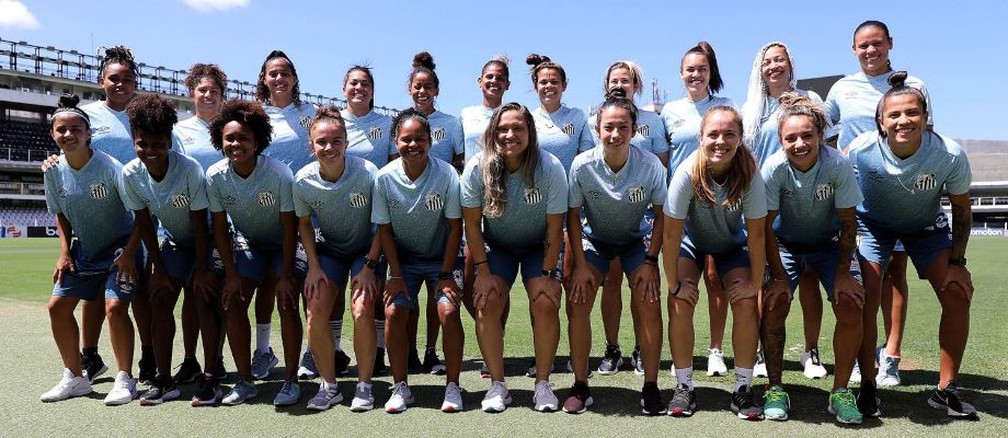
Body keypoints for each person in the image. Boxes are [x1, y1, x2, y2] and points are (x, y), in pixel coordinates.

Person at [847, 72, 975, 418]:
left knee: (957, 293)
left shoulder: (948, 154)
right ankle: (869, 386)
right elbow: (841, 196)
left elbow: (962, 210)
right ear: (881, 120)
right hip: (873, 227)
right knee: (865, 297)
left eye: (912, 112)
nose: (904, 120)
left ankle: (946, 390)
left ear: (925, 117)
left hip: (925, 228)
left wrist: (957, 263)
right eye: (895, 114)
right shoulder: (858, 152)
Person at [825, 20, 934, 386]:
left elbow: (926, 135)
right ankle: (863, 355)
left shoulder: (912, 85)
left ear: (890, 44)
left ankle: (891, 356)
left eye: (876, 44)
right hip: (857, 196)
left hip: (901, 194)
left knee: (895, 276)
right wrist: (839, 158)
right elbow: (825, 130)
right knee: (865, 277)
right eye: (862, 46)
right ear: (853, 50)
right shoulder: (842, 88)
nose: (870, 51)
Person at [759, 93, 865, 424]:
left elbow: (849, 223)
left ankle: (841, 391)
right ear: (781, 140)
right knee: (773, 304)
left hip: (830, 244)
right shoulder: (774, 168)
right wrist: (777, 277)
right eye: (791, 137)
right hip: (784, 244)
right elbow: (763, 228)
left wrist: (845, 273)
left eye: (807, 135)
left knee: (850, 302)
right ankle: (775, 388)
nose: (800, 143)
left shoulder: (837, 165)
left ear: (820, 135)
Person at [566, 89, 667, 415]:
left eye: (623, 127)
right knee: (578, 298)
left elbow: (662, 213)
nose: (615, 134)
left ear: (634, 130)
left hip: (636, 242)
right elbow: (572, 215)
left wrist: (651, 261)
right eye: (608, 127)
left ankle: (650, 386)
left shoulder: (650, 165)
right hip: (595, 242)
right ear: (597, 130)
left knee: (650, 298)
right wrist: (580, 265)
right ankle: (580, 385)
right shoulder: (582, 165)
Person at [461, 102, 567, 413]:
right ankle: (498, 385)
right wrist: (482, 271)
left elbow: (554, 228)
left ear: (530, 133)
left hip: (539, 247)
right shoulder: (476, 167)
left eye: (518, 128)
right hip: (499, 248)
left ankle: (543, 384)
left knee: (546, 303)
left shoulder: (550, 167)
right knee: (487, 301)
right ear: (493, 133)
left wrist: (548, 276)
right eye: (503, 129)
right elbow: (471, 223)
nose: (510, 134)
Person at [662, 106, 766, 420]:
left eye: (729, 134)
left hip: (730, 246)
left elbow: (758, 236)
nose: (721, 141)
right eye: (713, 134)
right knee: (681, 301)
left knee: (747, 303)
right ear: (701, 137)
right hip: (690, 245)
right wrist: (674, 284)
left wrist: (755, 284)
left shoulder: (749, 173)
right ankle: (684, 386)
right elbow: (670, 234)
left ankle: (743, 389)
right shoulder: (686, 172)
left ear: (740, 138)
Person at [40, 94, 142, 405]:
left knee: (114, 308)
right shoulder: (53, 170)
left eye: (75, 129)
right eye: (61, 130)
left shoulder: (111, 168)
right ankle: (76, 377)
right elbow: (59, 212)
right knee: (56, 307)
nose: (68, 135)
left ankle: (125, 378)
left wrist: (128, 253)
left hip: (121, 247)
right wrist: (64, 250)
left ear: (89, 134)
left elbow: (140, 213)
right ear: (53, 134)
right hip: (83, 249)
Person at [119, 94, 218, 405]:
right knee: (160, 297)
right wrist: (159, 269)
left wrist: (201, 270)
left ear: (169, 141)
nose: (150, 151)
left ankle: (211, 378)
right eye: (142, 144)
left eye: (158, 144)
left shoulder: (189, 170)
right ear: (134, 140)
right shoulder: (130, 173)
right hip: (174, 243)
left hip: (209, 241)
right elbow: (145, 222)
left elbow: (201, 224)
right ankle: (164, 380)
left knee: (203, 299)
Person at [205, 99, 305, 406]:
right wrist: (232, 275)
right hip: (249, 245)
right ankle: (245, 381)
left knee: (286, 301)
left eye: (244, 138)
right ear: (220, 141)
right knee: (231, 301)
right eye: (230, 138)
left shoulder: (279, 174)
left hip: (283, 246)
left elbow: (290, 230)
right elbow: (220, 229)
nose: (236, 143)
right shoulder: (215, 175)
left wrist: (286, 275)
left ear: (257, 140)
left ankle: (290, 380)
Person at [741, 41, 830, 380]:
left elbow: (828, 144)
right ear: (760, 69)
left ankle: (811, 350)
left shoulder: (810, 99)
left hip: (807, 199)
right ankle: (764, 351)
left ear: (790, 65)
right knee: (766, 280)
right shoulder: (751, 106)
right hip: (765, 201)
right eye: (768, 62)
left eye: (780, 60)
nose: (774, 66)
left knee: (808, 279)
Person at [373, 108, 464, 413]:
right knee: (395, 311)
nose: (413, 145)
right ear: (394, 141)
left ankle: (452, 386)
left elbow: (455, 228)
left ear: (431, 141)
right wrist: (396, 276)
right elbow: (384, 231)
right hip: (405, 262)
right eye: (406, 139)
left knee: (448, 312)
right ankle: (401, 387)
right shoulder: (384, 178)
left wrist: (447, 273)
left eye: (420, 139)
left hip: (443, 260)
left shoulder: (448, 174)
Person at [293, 106, 382, 411]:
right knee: (315, 310)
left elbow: (383, 224)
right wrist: (313, 266)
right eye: (322, 142)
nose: (329, 148)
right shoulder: (303, 180)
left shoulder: (368, 173)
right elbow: (303, 223)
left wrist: (370, 266)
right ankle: (329, 386)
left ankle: (364, 386)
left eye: (336, 141)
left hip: (364, 252)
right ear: (311, 145)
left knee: (361, 309)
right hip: (329, 252)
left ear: (346, 142)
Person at [660, 41, 736, 377]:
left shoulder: (725, 105)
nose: (696, 74)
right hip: (683, 208)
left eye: (702, 69)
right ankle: (682, 361)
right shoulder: (669, 111)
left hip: (720, 205)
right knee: (680, 284)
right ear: (681, 73)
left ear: (710, 72)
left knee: (715, 278)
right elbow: (664, 162)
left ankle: (716, 350)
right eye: (690, 69)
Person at [593, 60, 670, 376]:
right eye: (614, 80)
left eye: (626, 80)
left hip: (644, 220)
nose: (620, 84)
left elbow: (662, 165)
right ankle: (612, 349)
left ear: (635, 85)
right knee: (610, 282)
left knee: (642, 285)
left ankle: (642, 348)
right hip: (606, 218)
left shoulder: (653, 120)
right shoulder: (594, 119)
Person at [252, 50, 319, 381]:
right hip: (265, 215)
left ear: (295, 78)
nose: (279, 78)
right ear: (264, 79)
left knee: (308, 285)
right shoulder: (256, 116)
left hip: (307, 215)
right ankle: (263, 351)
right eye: (272, 73)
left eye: (284, 73)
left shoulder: (311, 115)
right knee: (267, 283)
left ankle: (312, 352)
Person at [405, 52, 464, 375]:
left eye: (428, 86)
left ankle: (431, 352)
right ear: (409, 89)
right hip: (409, 217)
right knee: (408, 291)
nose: (422, 91)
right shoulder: (400, 121)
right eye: (417, 86)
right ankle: (409, 351)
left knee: (436, 290)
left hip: (442, 215)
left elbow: (459, 162)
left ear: (436, 90)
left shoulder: (451, 123)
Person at [171, 63, 229, 386]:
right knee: (191, 296)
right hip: (187, 226)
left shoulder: (229, 129)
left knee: (216, 296)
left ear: (223, 96)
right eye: (202, 90)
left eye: (214, 91)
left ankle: (215, 358)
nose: (208, 95)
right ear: (192, 92)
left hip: (222, 226)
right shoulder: (179, 132)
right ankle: (190, 359)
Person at [343, 64, 397, 375]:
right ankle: (332, 350)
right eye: (353, 83)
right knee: (336, 291)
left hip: (376, 223)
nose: (359, 88)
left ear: (373, 91)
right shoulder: (334, 121)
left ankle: (377, 352)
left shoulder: (385, 124)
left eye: (365, 84)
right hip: (340, 218)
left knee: (375, 287)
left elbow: (393, 166)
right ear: (344, 88)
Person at [461, 56, 511, 162]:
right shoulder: (466, 114)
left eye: (500, 78)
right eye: (489, 76)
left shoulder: (511, 116)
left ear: (507, 85)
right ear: (480, 81)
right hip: (472, 177)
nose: (494, 81)